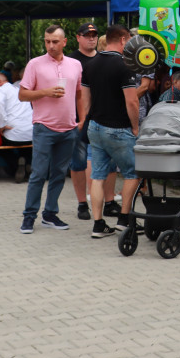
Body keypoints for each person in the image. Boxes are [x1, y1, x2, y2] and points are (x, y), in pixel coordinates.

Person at [18, 24, 84, 234]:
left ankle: (50, 214)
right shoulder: (35, 64)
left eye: (55, 41)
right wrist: (45, 92)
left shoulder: (75, 64)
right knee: (38, 173)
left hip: (68, 128)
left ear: (64, 42)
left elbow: (79, 93)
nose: (51, 45)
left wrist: (81, 119)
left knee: (58, 173)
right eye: (47, 41)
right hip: (44, 127)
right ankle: (29, 216)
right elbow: (22, 94)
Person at [82, 24, 139, 238]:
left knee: (97, 176)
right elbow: (132, 102)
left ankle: (98, 224)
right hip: (119, 128)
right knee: (133, 172)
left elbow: (85, 100)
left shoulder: (90, 64)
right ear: (123, 40)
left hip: (95, 127)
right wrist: (135, 126)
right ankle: (124, 219)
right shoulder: (125, 65)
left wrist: (88, 120)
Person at [69, 22, 101, 221]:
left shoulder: (103, 58)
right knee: (78, 162)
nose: (91, 38)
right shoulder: (71, 60)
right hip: (77, 119)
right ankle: (82, 203)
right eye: (87, 34)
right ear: (78, 37)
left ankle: (105, 201)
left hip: (101, 117)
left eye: (94, 34)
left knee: (102, 161)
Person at [0, 73, 33, 183]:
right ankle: (27, 164)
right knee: (26, 146)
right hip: (30, 132)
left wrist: (2, 124)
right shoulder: (18, 89)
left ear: (0, 82)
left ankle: (16, 163)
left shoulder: (1, 90)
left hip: (13, 134)